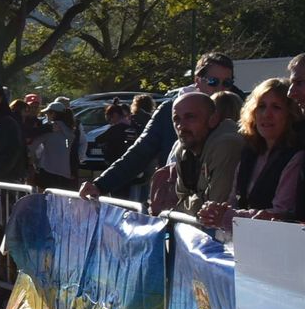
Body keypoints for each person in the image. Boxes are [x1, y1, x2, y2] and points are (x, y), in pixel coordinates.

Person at [82, 51, 238, 200]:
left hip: (221, 207)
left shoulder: (239, 110)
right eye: (213, 81)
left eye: (227, 83)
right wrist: (100, 185)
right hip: (178, 203)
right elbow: (140, 153)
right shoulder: (168, 111)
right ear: (197, 80)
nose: (220, 88)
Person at [197, 79, 302, 227]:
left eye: (276, 107)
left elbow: (281, 213)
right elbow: (234, 201)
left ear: (290, 114)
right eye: (261, 107)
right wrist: (214, 211)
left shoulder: (296, 156)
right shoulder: (250, 152)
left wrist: (228, 217)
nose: (266, 114)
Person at [149, 92, 244, 215]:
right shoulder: (182, 148)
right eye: (176, 119)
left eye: (190, 117)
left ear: (213, 119)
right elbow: (181, 198)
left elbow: (214, 207)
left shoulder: (227, 144)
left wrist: (185, 205)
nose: (181, 126)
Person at [31, 98, 79, 190]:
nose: (46, 116)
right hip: (65, 172)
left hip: (47, 171)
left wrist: (35, 161)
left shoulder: (50, 130)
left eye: (47, 113)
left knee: (45, 201)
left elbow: (32, 147)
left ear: (53, 114)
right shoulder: (70, 131)